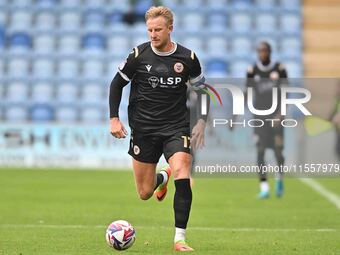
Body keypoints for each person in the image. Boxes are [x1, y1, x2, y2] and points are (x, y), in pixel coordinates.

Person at [109, 6, 208, 251]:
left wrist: (201, 121)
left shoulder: (188, 59)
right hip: (144, 130)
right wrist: (114, 118)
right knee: (144, 192)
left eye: (158, 29)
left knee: (183, 172)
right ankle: (163, 176)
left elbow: (202, 91)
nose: (153, 34)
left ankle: (180, 238)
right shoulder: (138, 55)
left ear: (170, 29)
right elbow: (116, 85)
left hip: (176, 127)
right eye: (150, 30)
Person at [245, 41, 288, 199]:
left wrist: (281, 114)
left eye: (264, 50)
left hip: (276, 116)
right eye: (259, 50)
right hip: (260, 117)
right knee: (260, 150)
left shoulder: (279, 69)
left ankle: (279, 179)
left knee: (278, 151)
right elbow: (246, 92)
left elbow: (286, 93)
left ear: (269, 52)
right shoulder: (253, 70)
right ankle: (264, 187)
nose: (261, 53)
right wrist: (234, 116)